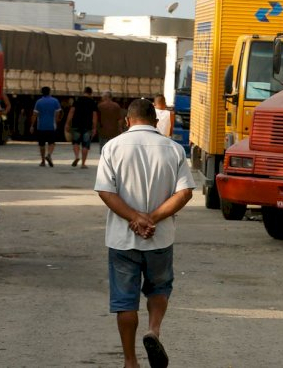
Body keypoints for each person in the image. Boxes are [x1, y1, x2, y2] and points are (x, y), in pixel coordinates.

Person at [95, 98, 195, 368]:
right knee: (159, 288)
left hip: (122, 239)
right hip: (160, 238)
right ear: (155, 120)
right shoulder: (173, 149)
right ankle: (154, 330)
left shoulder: (112, 148)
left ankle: (130, 361)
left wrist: (134, 217)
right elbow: (185, 192)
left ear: (128, 120)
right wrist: (152, 218)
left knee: (125, 301)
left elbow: (106, 191)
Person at [67, 87, 98, 168]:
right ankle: (83, 164)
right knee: (85, 145)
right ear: (91, 93)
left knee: (76, 142)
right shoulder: (93, 102)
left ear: (84, 92)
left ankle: (77, 156)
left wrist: (67, 123)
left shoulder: (77, 101)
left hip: (76, 125)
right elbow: (94, 116)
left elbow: (71, 112)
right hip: (87, 126)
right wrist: (94, 127)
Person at [30, 86, 62, 167]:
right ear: (49, 92)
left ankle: (43, 161)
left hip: (41, 126)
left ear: (42, 92)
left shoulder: (39, 102)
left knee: (42, 144)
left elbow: (34, 114)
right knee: (52, 143)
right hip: (51, 126)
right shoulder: (55, 101)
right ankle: (49, 154)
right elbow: (58, 113)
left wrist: (32, 125)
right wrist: (57, 120)